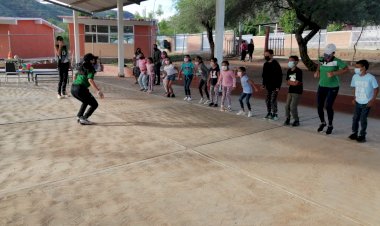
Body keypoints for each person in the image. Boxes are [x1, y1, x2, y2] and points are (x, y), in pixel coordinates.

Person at [314, 43, 349, 134]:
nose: (326, 57)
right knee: (319, 106)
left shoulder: (337, 61)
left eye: (328, 55)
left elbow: (346, 69)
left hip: (332, 87)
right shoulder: (321, 58)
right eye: (325, 55)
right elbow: (319, 64)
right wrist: (317, 71)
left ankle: (330, 125)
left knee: (328, 106)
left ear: (333, 53)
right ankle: (323, 122)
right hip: (322, 85)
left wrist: (334, 73)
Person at [348, 60, 379, 143]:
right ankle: (354, 133)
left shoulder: (370, 78)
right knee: (355, 118)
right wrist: (354, 98)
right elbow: (355, 88)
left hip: (366, 102)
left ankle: (362, 135)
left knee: (363, 119)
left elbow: (376, 89)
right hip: (358, 101)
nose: (356, 69)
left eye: (358, 67)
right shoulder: (355, 77)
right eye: (355, 67)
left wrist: (372, 100)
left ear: (364, 67)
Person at [71, 53, 104, 125]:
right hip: (80, 88)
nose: (95, 61)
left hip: (73, 88)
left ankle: (79, 116)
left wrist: (75, 85)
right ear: (91, 60)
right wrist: (98, 91)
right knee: (94, 104)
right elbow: (90, 80)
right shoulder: (90, 68)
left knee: (85, 101)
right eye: (94, 60)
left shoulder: (81, 66)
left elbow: (74, 76)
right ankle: (84, 118)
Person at [262, 49, 283, 120]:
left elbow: (279, 76)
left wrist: (278, 86)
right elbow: (264, 75)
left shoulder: (275, 64)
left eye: (267, 55)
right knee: (267, 100)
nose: (266, 56)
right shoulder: (265, 64)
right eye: (265, 55)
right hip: (268, 86)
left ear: (271, 55)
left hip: (275, 86)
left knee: (273, 100)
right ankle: (269, 113)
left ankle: (275, 114)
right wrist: (263, 84)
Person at [284, 55, 303, 127]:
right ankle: (287, 118)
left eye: (291, 61)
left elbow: (297, 83)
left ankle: (296, 120)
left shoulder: (299, 71)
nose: (289, 62)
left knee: (292, 106)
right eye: (289, 61)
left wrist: (290, 82)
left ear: (296, 62)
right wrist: (292, 82)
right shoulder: (289, 71)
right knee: (287, 106)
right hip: (290, 90)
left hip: (297, 91)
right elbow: (287, 82)